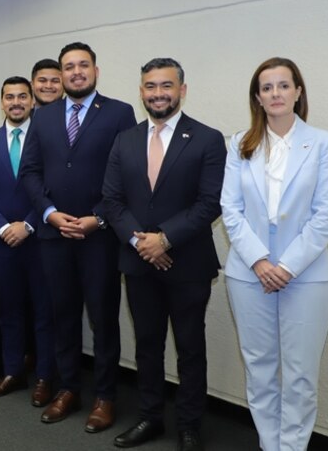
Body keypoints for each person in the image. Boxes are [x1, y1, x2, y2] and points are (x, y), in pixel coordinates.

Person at [101, 58, 226, 451]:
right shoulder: (125, 140)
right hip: (138, 263)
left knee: (190, 348)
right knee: (147, 345)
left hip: (188, 263)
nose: (158, 93)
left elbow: (210, 203)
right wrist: (142, 243)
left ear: (182, 90)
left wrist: (165, 239)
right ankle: (150, 418)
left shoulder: (207, 138)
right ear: (141, 92)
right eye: (150, 86)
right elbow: (111, 200)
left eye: (166, 85)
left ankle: (189, 426)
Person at [221, 58, 328, 451]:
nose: (275, 93)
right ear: (257, 96)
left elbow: (325, 216)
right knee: (260, 370)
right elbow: (231, 210)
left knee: (301, 374)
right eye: (267, 87)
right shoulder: (240, 143)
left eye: (283, 86)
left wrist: (285, 266)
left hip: (305, 273)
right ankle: (269, 445)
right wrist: (259, 261)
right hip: (247, 272)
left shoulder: (323, 142)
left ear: (298, 92)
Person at [20, 42, 136, 430]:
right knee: (63, 315)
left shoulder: (119, 113)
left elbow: (127, 175)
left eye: (82, 65)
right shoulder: (44, 116)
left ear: (96, 71)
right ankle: (68, 387)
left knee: (104, 319)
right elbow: (31, 173)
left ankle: (105, 396)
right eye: (68, 66)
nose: (75, 72)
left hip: (99, 237)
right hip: (54, 237)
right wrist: (50, 215)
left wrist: (98, 218)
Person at [0, 77, 56, 407]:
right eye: (10, 97)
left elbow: (52, 188)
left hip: (42, 239)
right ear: (1, 103)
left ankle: (46, 377)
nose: (16, 102)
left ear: (32, 101)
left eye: (23, 96)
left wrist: (29, 226)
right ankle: (12, 372)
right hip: (1, 242)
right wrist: (4, 228)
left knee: (44, 312)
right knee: (9, 311)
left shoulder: (48, 139)